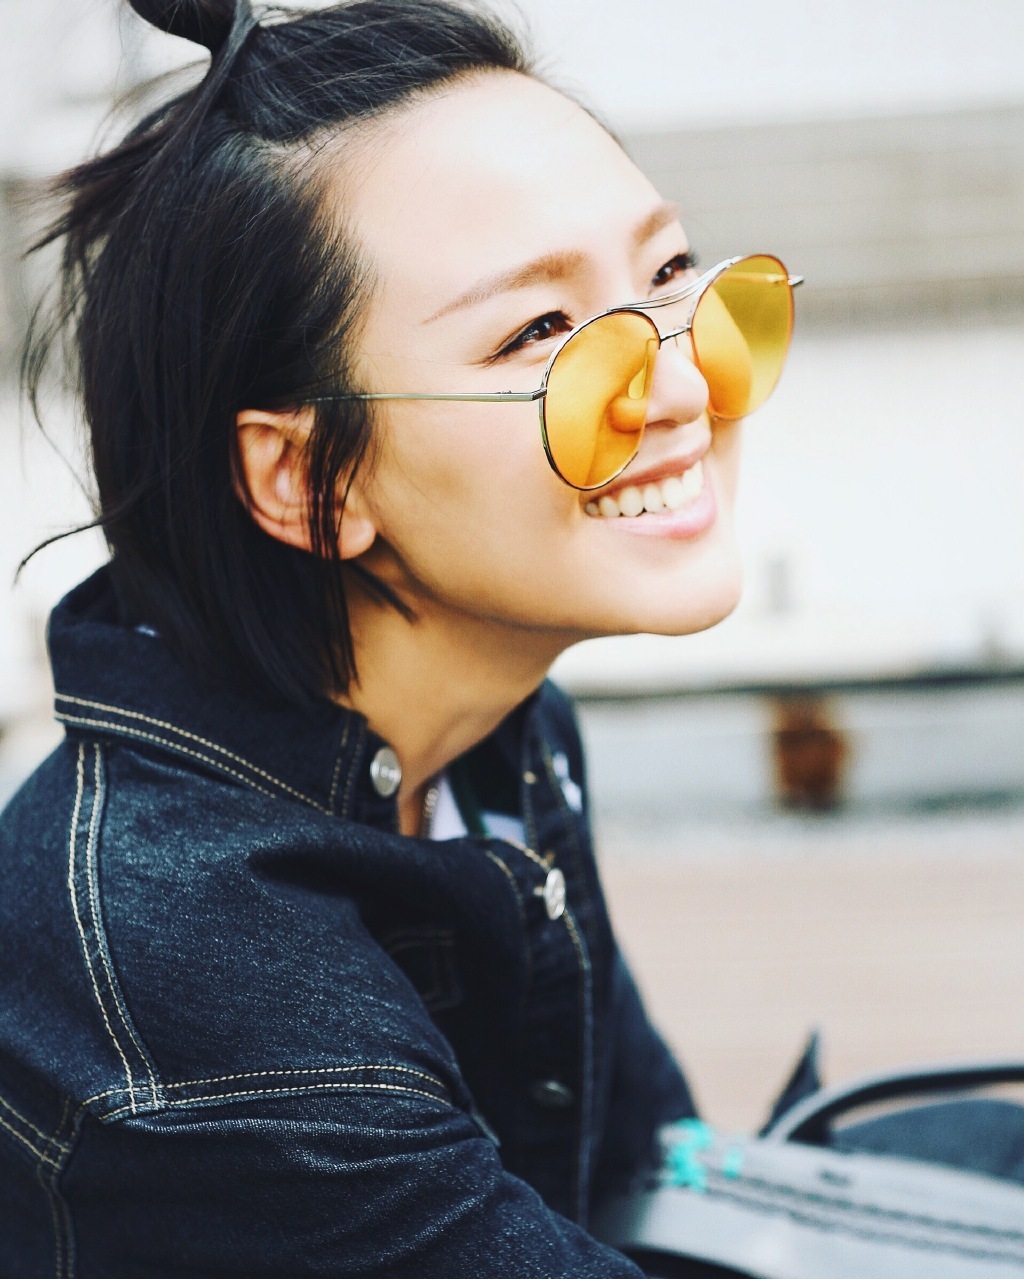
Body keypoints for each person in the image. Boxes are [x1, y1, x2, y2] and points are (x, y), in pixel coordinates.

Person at [0, 1, 798, 1273]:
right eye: (539, 332)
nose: (687, 382)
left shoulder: (498, 734)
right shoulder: (195, 973)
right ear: (310, 481)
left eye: (668, 275)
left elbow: (644, 1174)